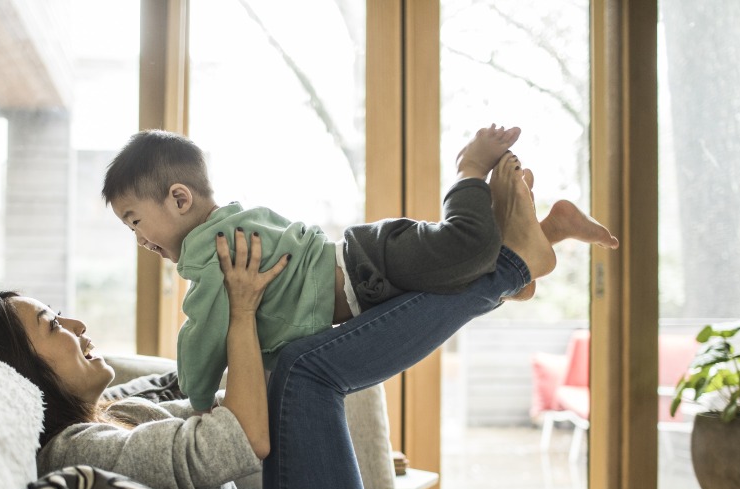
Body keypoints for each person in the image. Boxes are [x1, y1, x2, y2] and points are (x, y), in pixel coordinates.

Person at [0, 159, 591, 489]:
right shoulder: (79, 455)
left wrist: (258, 302)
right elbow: (241, 433)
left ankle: (502, 267)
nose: (77, 321)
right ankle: (503, 268)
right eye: (51, 326)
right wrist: (238, 310)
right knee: (303, 371)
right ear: (26, 371)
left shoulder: (114, 408)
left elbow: (196, 382)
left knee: (292, 349)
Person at [102, 126, 619, 411]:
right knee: (476, 277)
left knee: (469, 249)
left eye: (134, 220)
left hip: (369, 264)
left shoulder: (214, 256)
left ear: (178, 198)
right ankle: (549, 229)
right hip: (370, 279)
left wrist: (188, 390)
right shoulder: (232, 222)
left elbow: (199, 349)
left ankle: (469, 170)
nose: (139, 239)